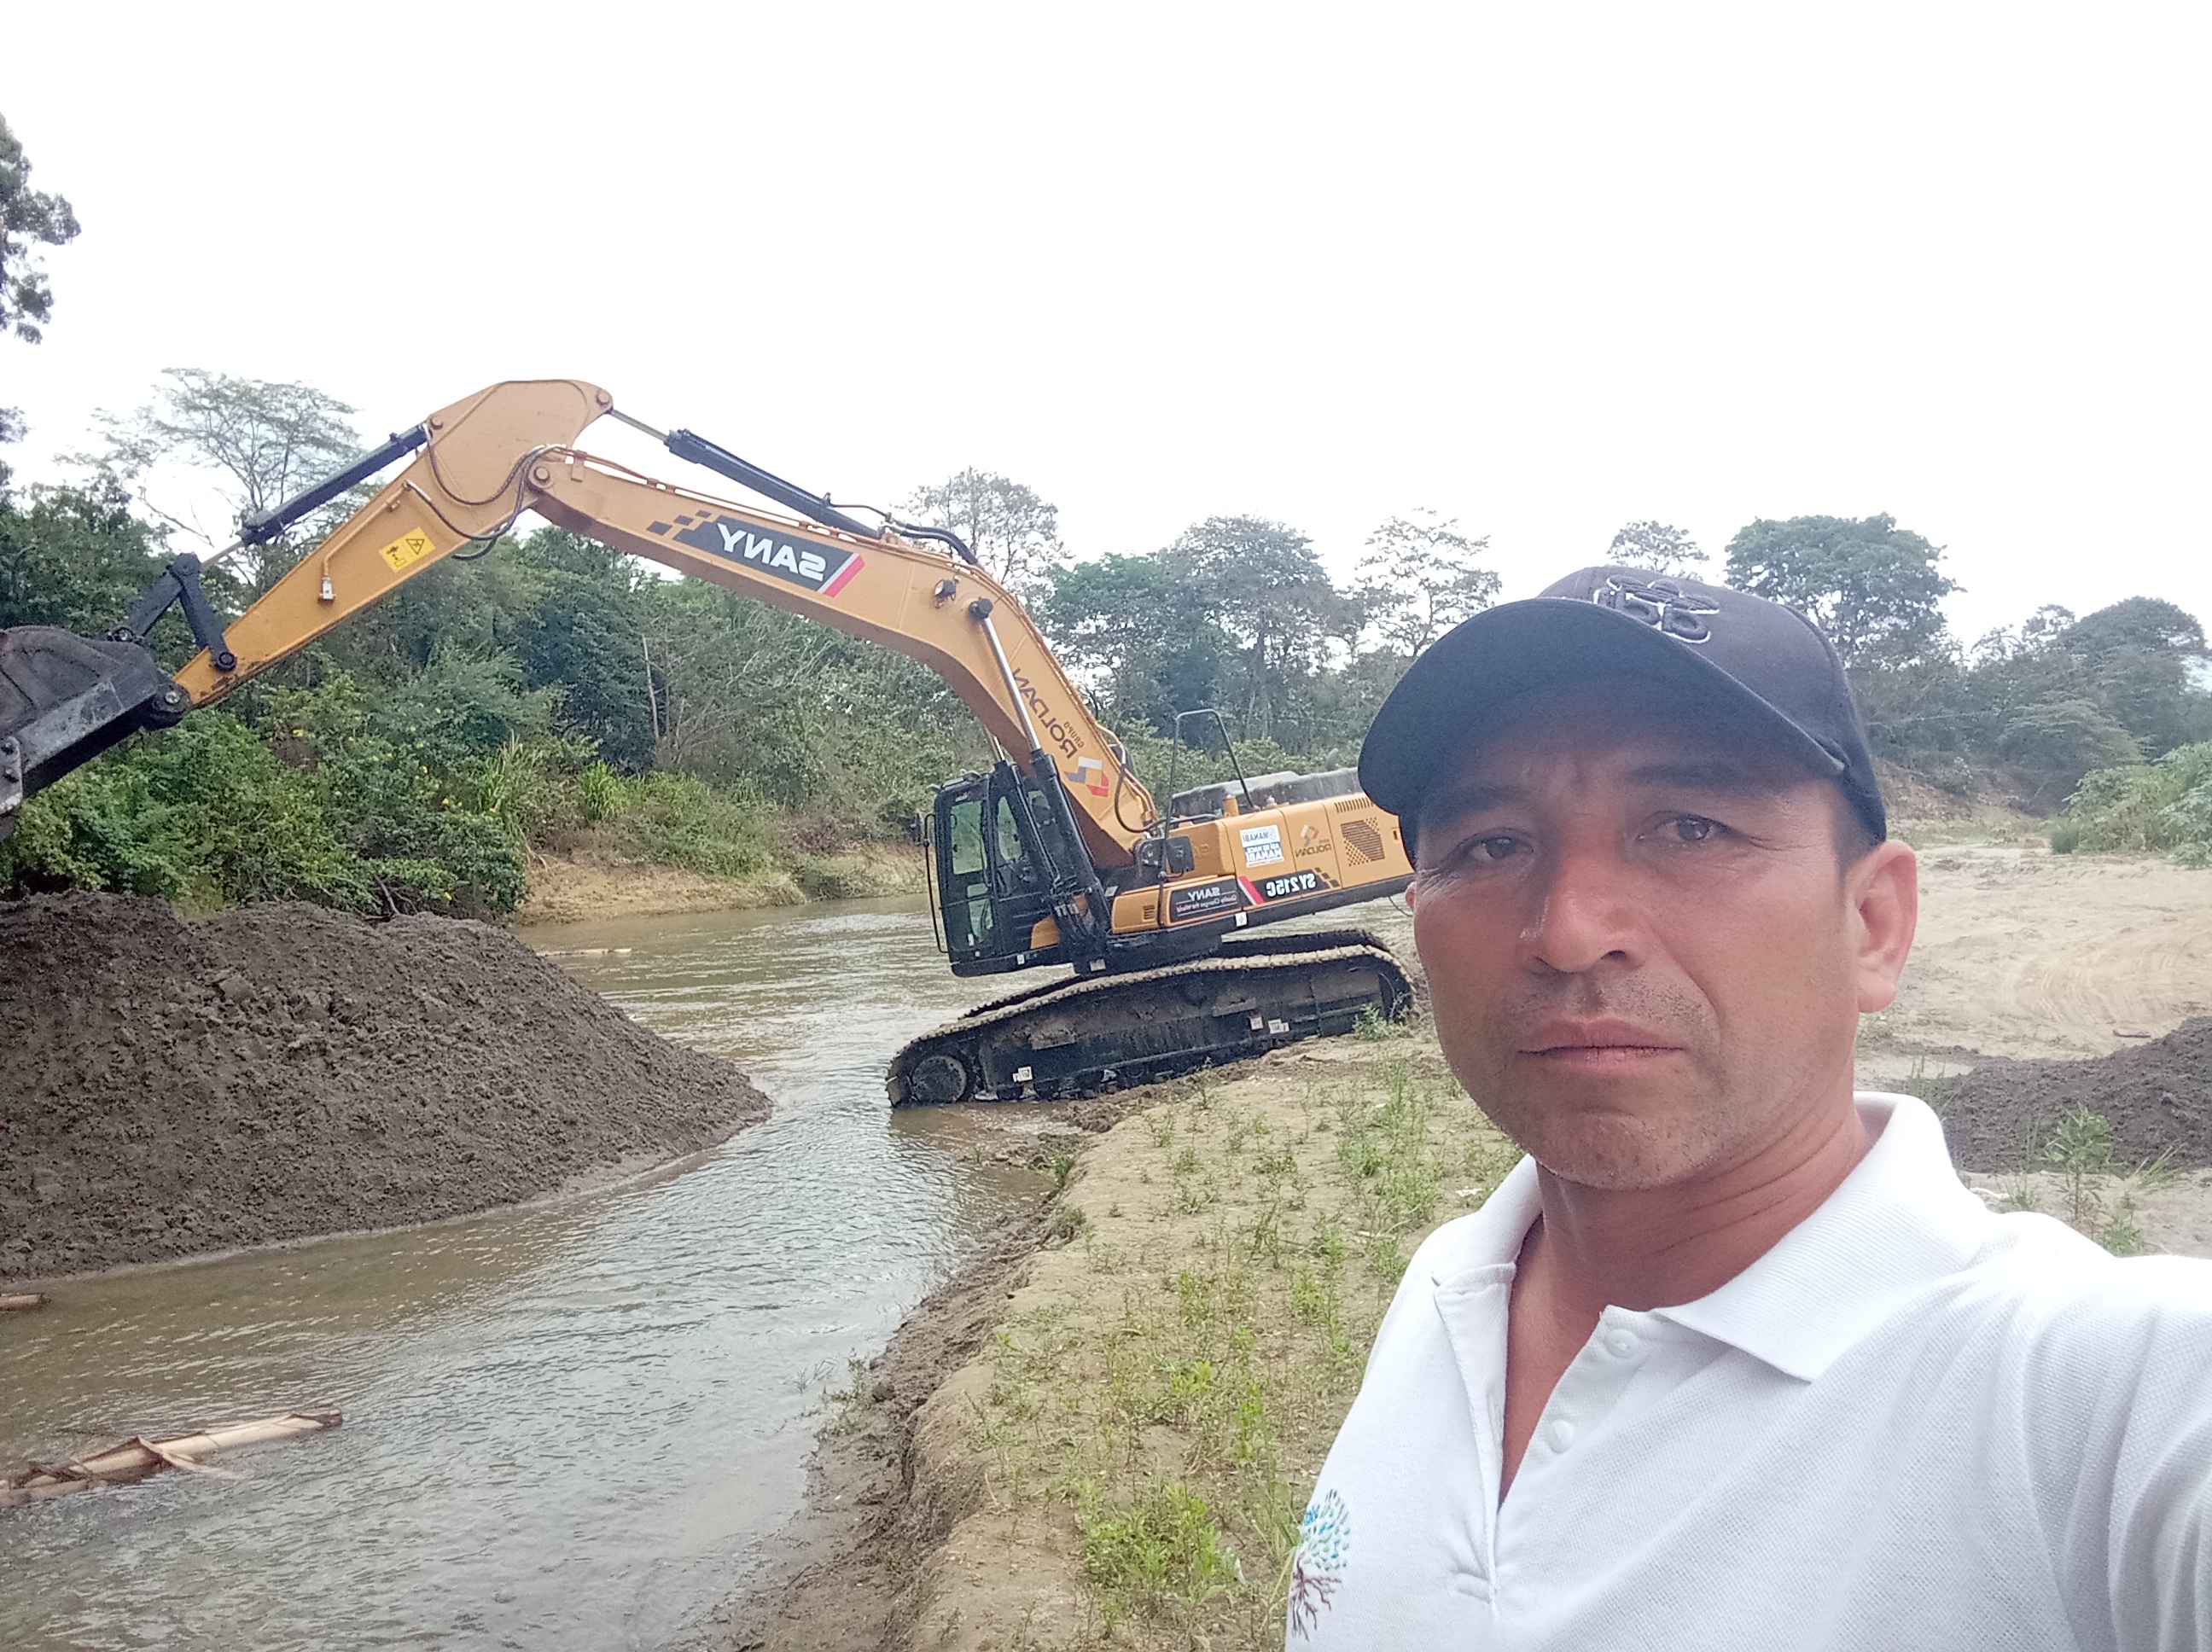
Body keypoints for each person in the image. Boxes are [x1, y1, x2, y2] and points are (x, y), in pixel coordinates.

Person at [1288, 567, 2212, 1650]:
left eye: (1691, 828)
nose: (1570, 932)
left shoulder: (2110, 1400)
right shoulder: (1447, 1288)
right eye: (1491, 844)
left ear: (1872, 925)